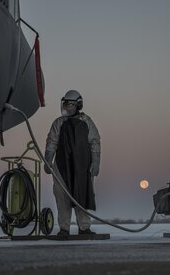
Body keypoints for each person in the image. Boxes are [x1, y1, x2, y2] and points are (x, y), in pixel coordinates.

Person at [44, 90, 101, 236]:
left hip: (83, 166)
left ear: (78, 105)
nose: (67, 108)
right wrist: (48, 160)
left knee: (83, 194)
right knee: (62, 195)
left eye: (70, 105)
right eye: (65, 104)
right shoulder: (59, 123)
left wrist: (95, 163)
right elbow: (52, 142)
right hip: (62, 166)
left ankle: (84, 227)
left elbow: (95, 142)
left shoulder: (87, 122)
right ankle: (64, 228)